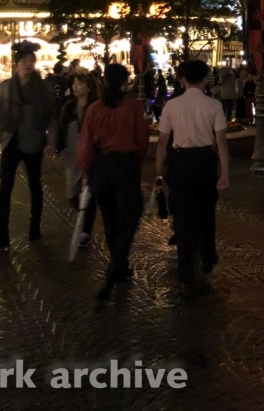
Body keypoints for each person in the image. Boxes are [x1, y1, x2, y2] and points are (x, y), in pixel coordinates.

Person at [155, 60, 230, 298]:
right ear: (205, 78)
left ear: (182, 79)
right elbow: (221, 143)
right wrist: (225, 171)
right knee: (207, 210)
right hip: (205, 162)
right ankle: (208, 255)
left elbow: (163, 143)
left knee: (184, 217)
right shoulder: (214, 105)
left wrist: (159, 172)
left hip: (181, 163)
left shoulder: (171, 106)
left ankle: (186, 273)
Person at [77, 64, 149, 297]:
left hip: (102, 166)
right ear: (124, 82)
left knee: (109, 218)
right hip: (125, 165)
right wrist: (136, 159)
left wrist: (88, 172)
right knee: (130, 216)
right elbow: (142, 139)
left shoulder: (94, 109)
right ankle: (117, 264)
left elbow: (86, 145)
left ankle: (118, 265)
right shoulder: (132, 107)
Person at [0, 42, 58, 250]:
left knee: (35, 185)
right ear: (16, 64)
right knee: (5, 188)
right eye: (24, 61)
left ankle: (34, 229)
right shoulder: (7, 86)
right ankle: (2, 236)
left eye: (31, 61)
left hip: (33, 141)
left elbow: (51, 115)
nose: (28, 65)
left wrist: (51, 141)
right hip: (11, 139)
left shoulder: (42, 87)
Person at [59, 72, 99, 248]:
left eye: (80, 84)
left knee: (88, 193)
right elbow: (60, 127)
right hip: (72, 156)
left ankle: (86, 231)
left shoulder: (95, 107)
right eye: (74, 83)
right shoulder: (69, 107)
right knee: (71, 193)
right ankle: (84, 221)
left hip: (90, 154)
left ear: (88, 87)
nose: (75, 87)